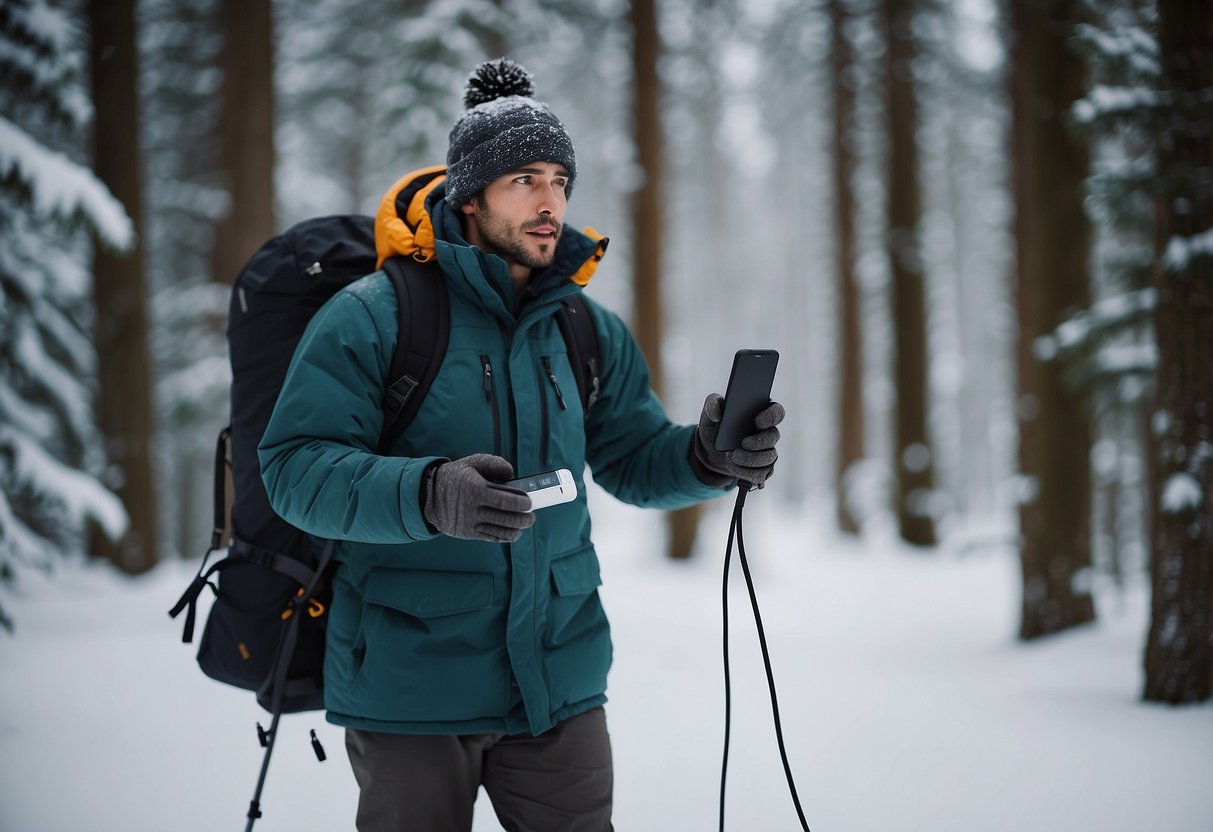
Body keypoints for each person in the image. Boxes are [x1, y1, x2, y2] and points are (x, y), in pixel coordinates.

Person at [258, 58, 785, 832]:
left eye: (560, 182)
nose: (550, 204)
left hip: (558, 682)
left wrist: (705, 459)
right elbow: (294, 470)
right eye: (525, 181)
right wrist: (428, 493)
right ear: (469, 195)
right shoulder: (374, 315)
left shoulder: (583, 326)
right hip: (412, 688)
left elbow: (632, 458)